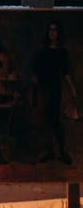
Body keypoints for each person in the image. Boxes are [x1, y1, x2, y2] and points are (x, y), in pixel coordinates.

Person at [32, 19, 76, 165]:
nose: (52, 33)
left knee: (56, 121)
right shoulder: (42, 52)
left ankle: (62, 152)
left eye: (55, 30)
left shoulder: (62, 52)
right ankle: (49, 151)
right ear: (47, 33)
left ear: (58, 33)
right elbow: (36, 74)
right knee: (45, 120)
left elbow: (66, 73)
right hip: (44, 89)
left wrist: (72, 89)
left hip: (56, 89)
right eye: (50, 30)